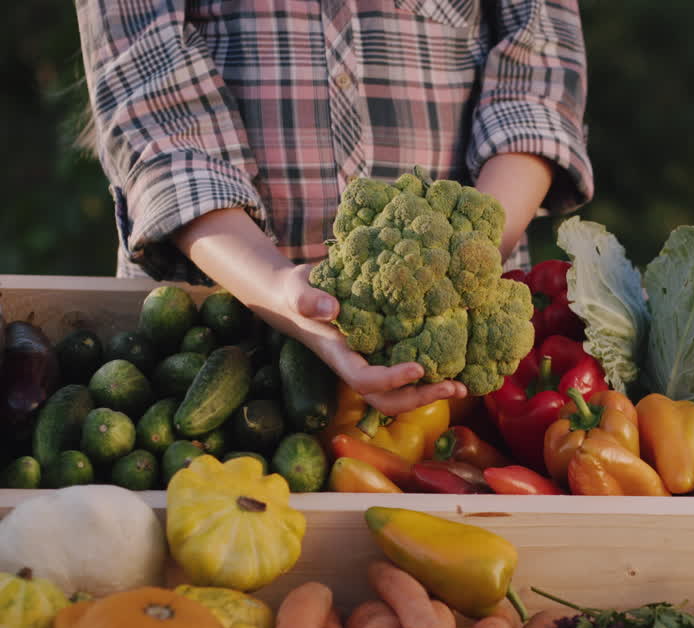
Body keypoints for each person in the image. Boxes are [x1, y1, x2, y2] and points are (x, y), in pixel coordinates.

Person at [73, 0, 593, 416]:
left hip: (444, 367)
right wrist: (279, 290)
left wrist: (463, 266)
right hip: (211, 340)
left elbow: (538, 79)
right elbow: (159, 119)